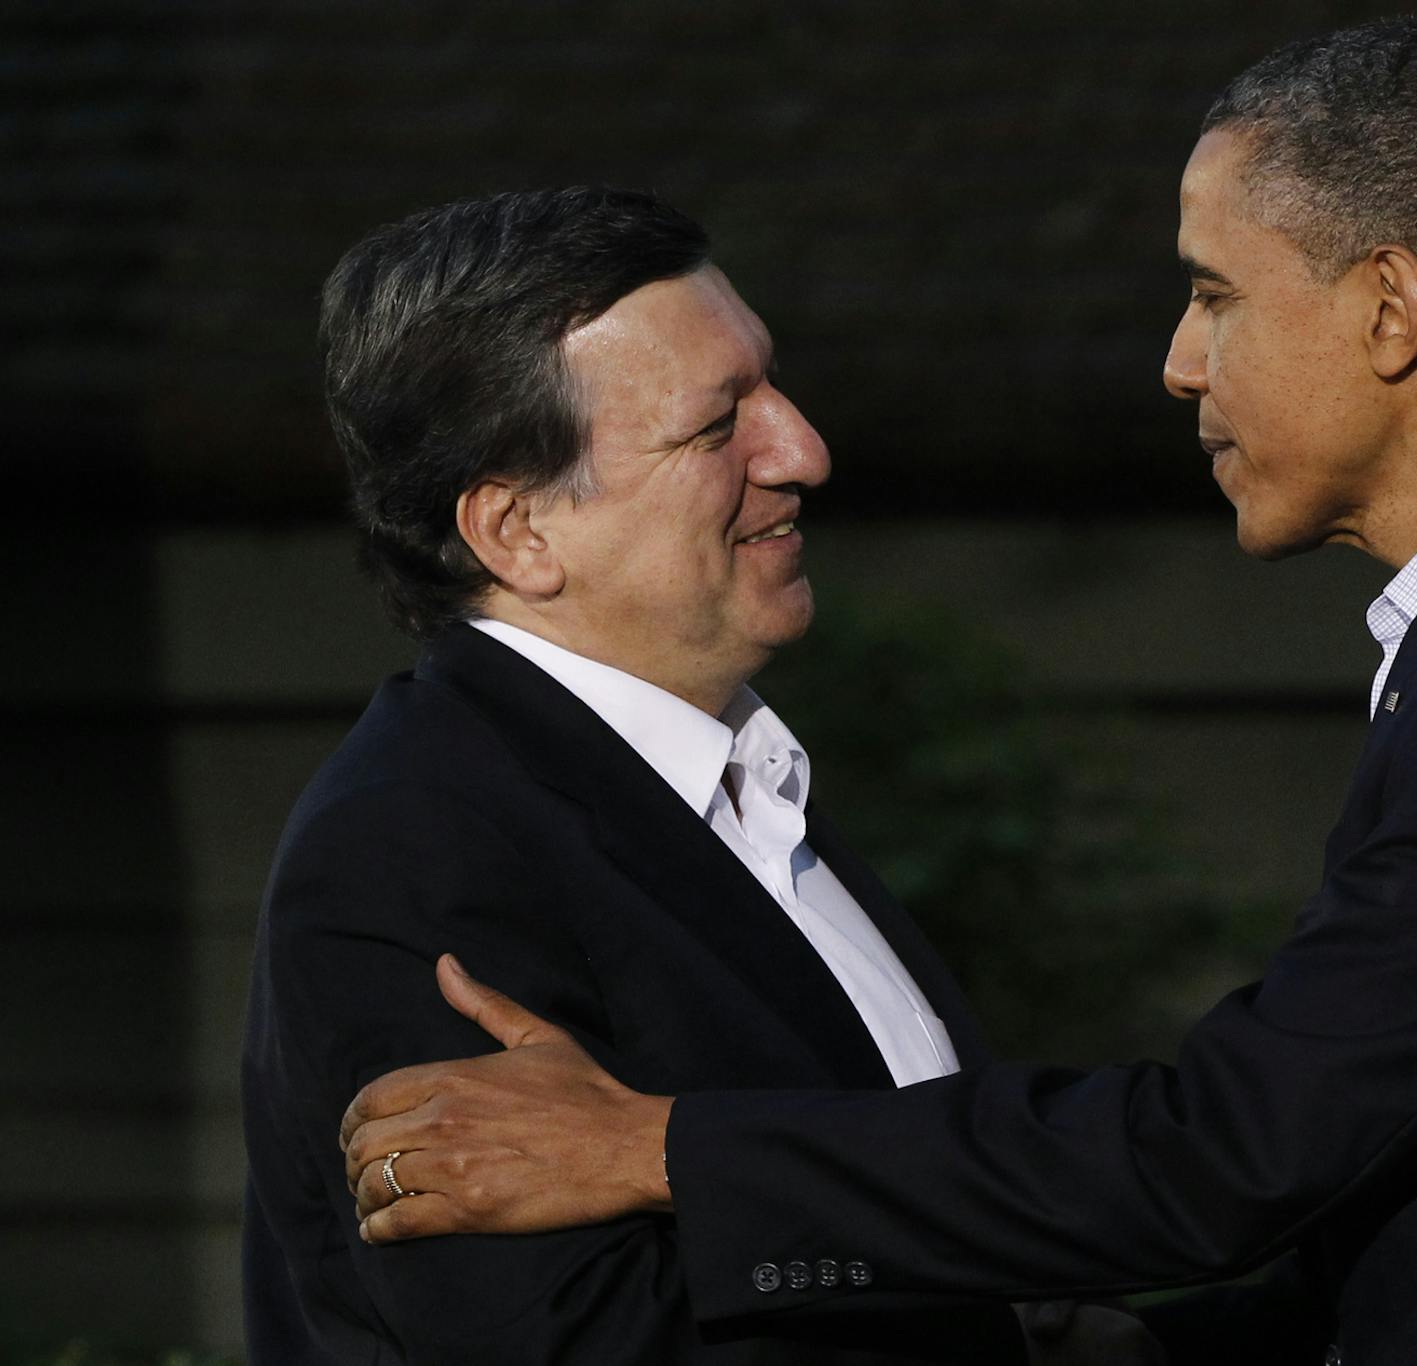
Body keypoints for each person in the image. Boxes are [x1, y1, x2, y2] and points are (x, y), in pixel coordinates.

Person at [339, 20, 1417, 1365]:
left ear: (1390, 308)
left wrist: (653, 1145)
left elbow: (1232, 1147)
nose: (1180, 361)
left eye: (1217, 296)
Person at [242, 187, 1136, 1364]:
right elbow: (571, 1342)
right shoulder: (414, 850)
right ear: (518, 531)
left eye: (772, 386)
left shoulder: (737, 790)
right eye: (718, 428)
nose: (803, 450)